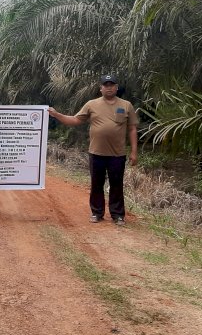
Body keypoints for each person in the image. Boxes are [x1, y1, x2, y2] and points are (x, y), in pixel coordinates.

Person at [48, 75, 138, 226]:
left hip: (117, 154)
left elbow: (132, 129)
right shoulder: (91, 104)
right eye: (106, 85)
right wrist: (57, 114)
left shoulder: (126, 105)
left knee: (117, 184)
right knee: (96, 184)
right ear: (100, 88)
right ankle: (97, 213)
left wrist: (134, 152)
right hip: (96, 153)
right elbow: (75, 120)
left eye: (112, 85)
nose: (109, 87)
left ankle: (118, 215)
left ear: (116, 87)